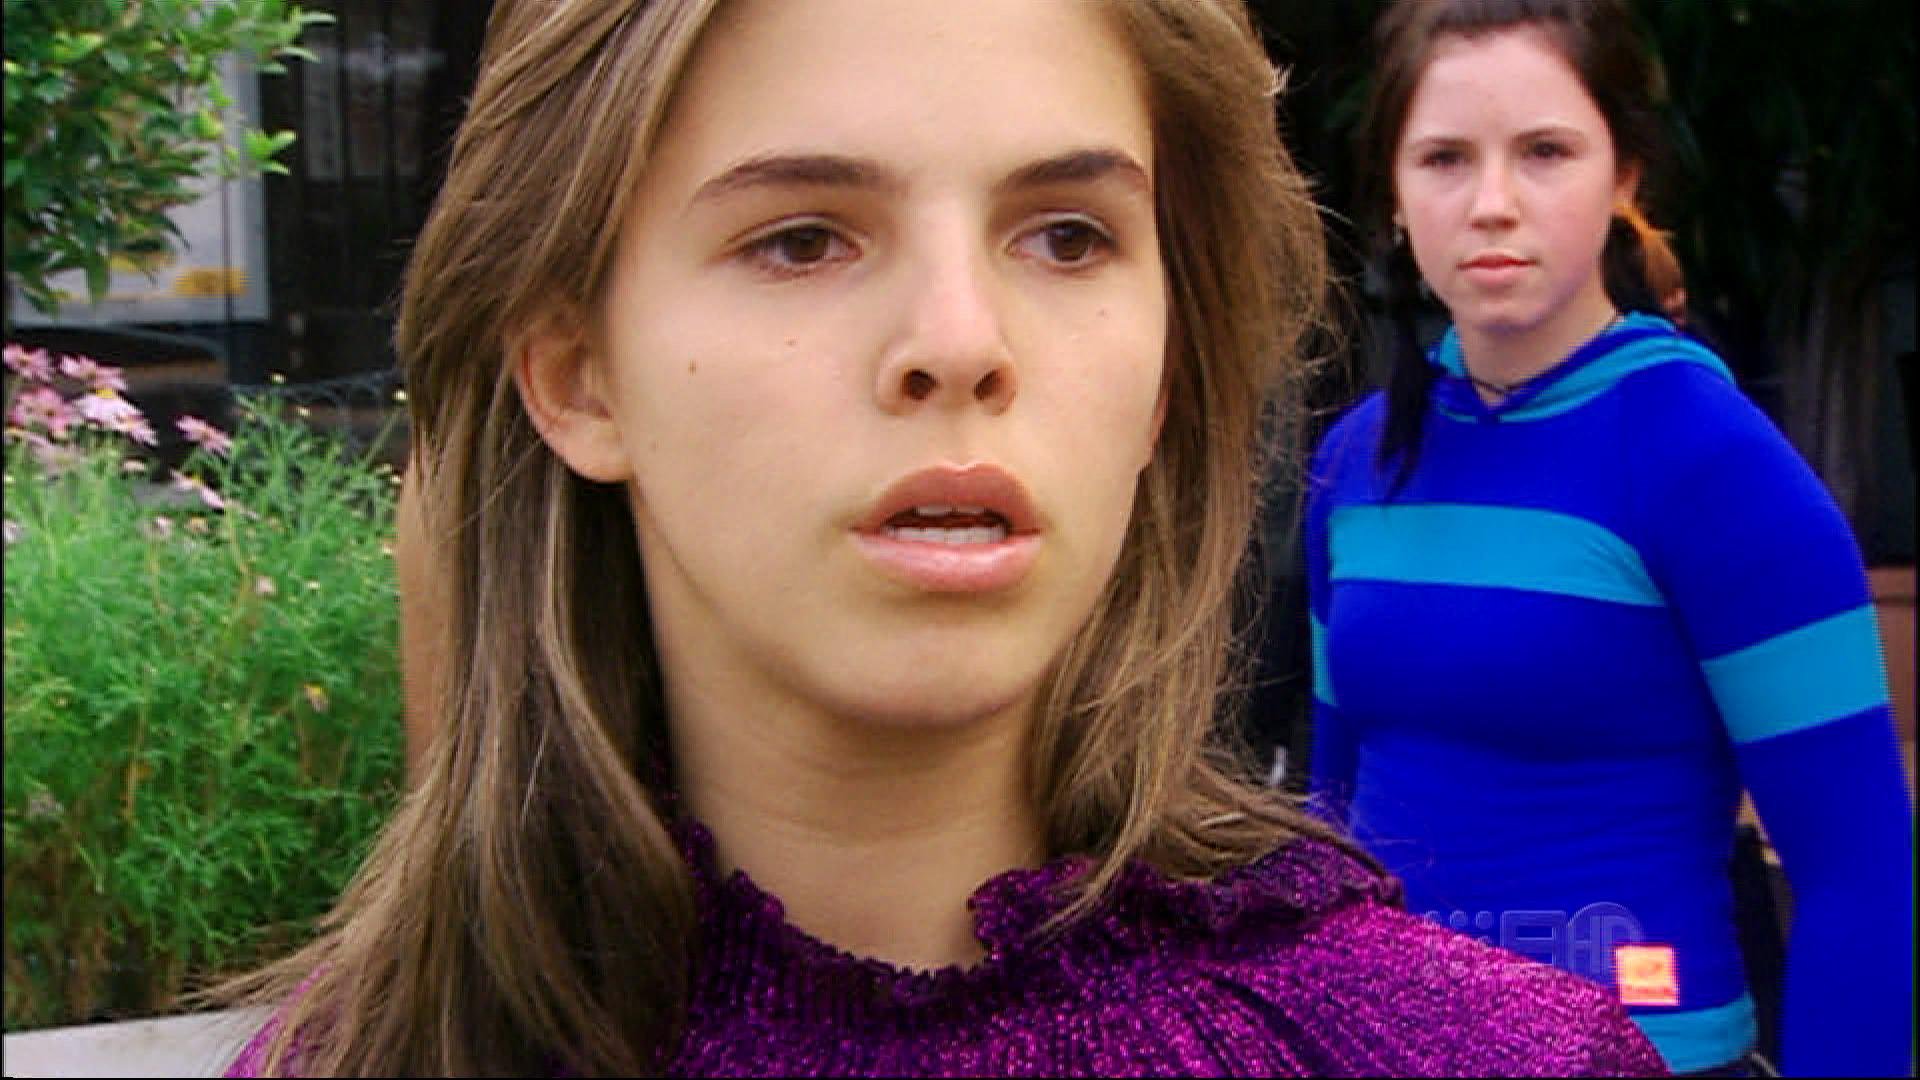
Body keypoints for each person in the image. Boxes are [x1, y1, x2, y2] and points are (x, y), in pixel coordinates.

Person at [220, 0, 1667, 1074]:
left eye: (1067, 236)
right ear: (576, 375)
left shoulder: (1491, 1056)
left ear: (1170, 365)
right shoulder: (362, 1058)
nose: (962, 343)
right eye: (802, 237)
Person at [1304, 1, 1916, 1076]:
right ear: (1393, 194)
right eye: (1444, 158)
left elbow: (1858, 873)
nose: (1493, 203)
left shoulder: (1713, 464)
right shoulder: (1355, 462)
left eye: (1545, 151)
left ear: (1625, 174)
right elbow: (1331, 813)